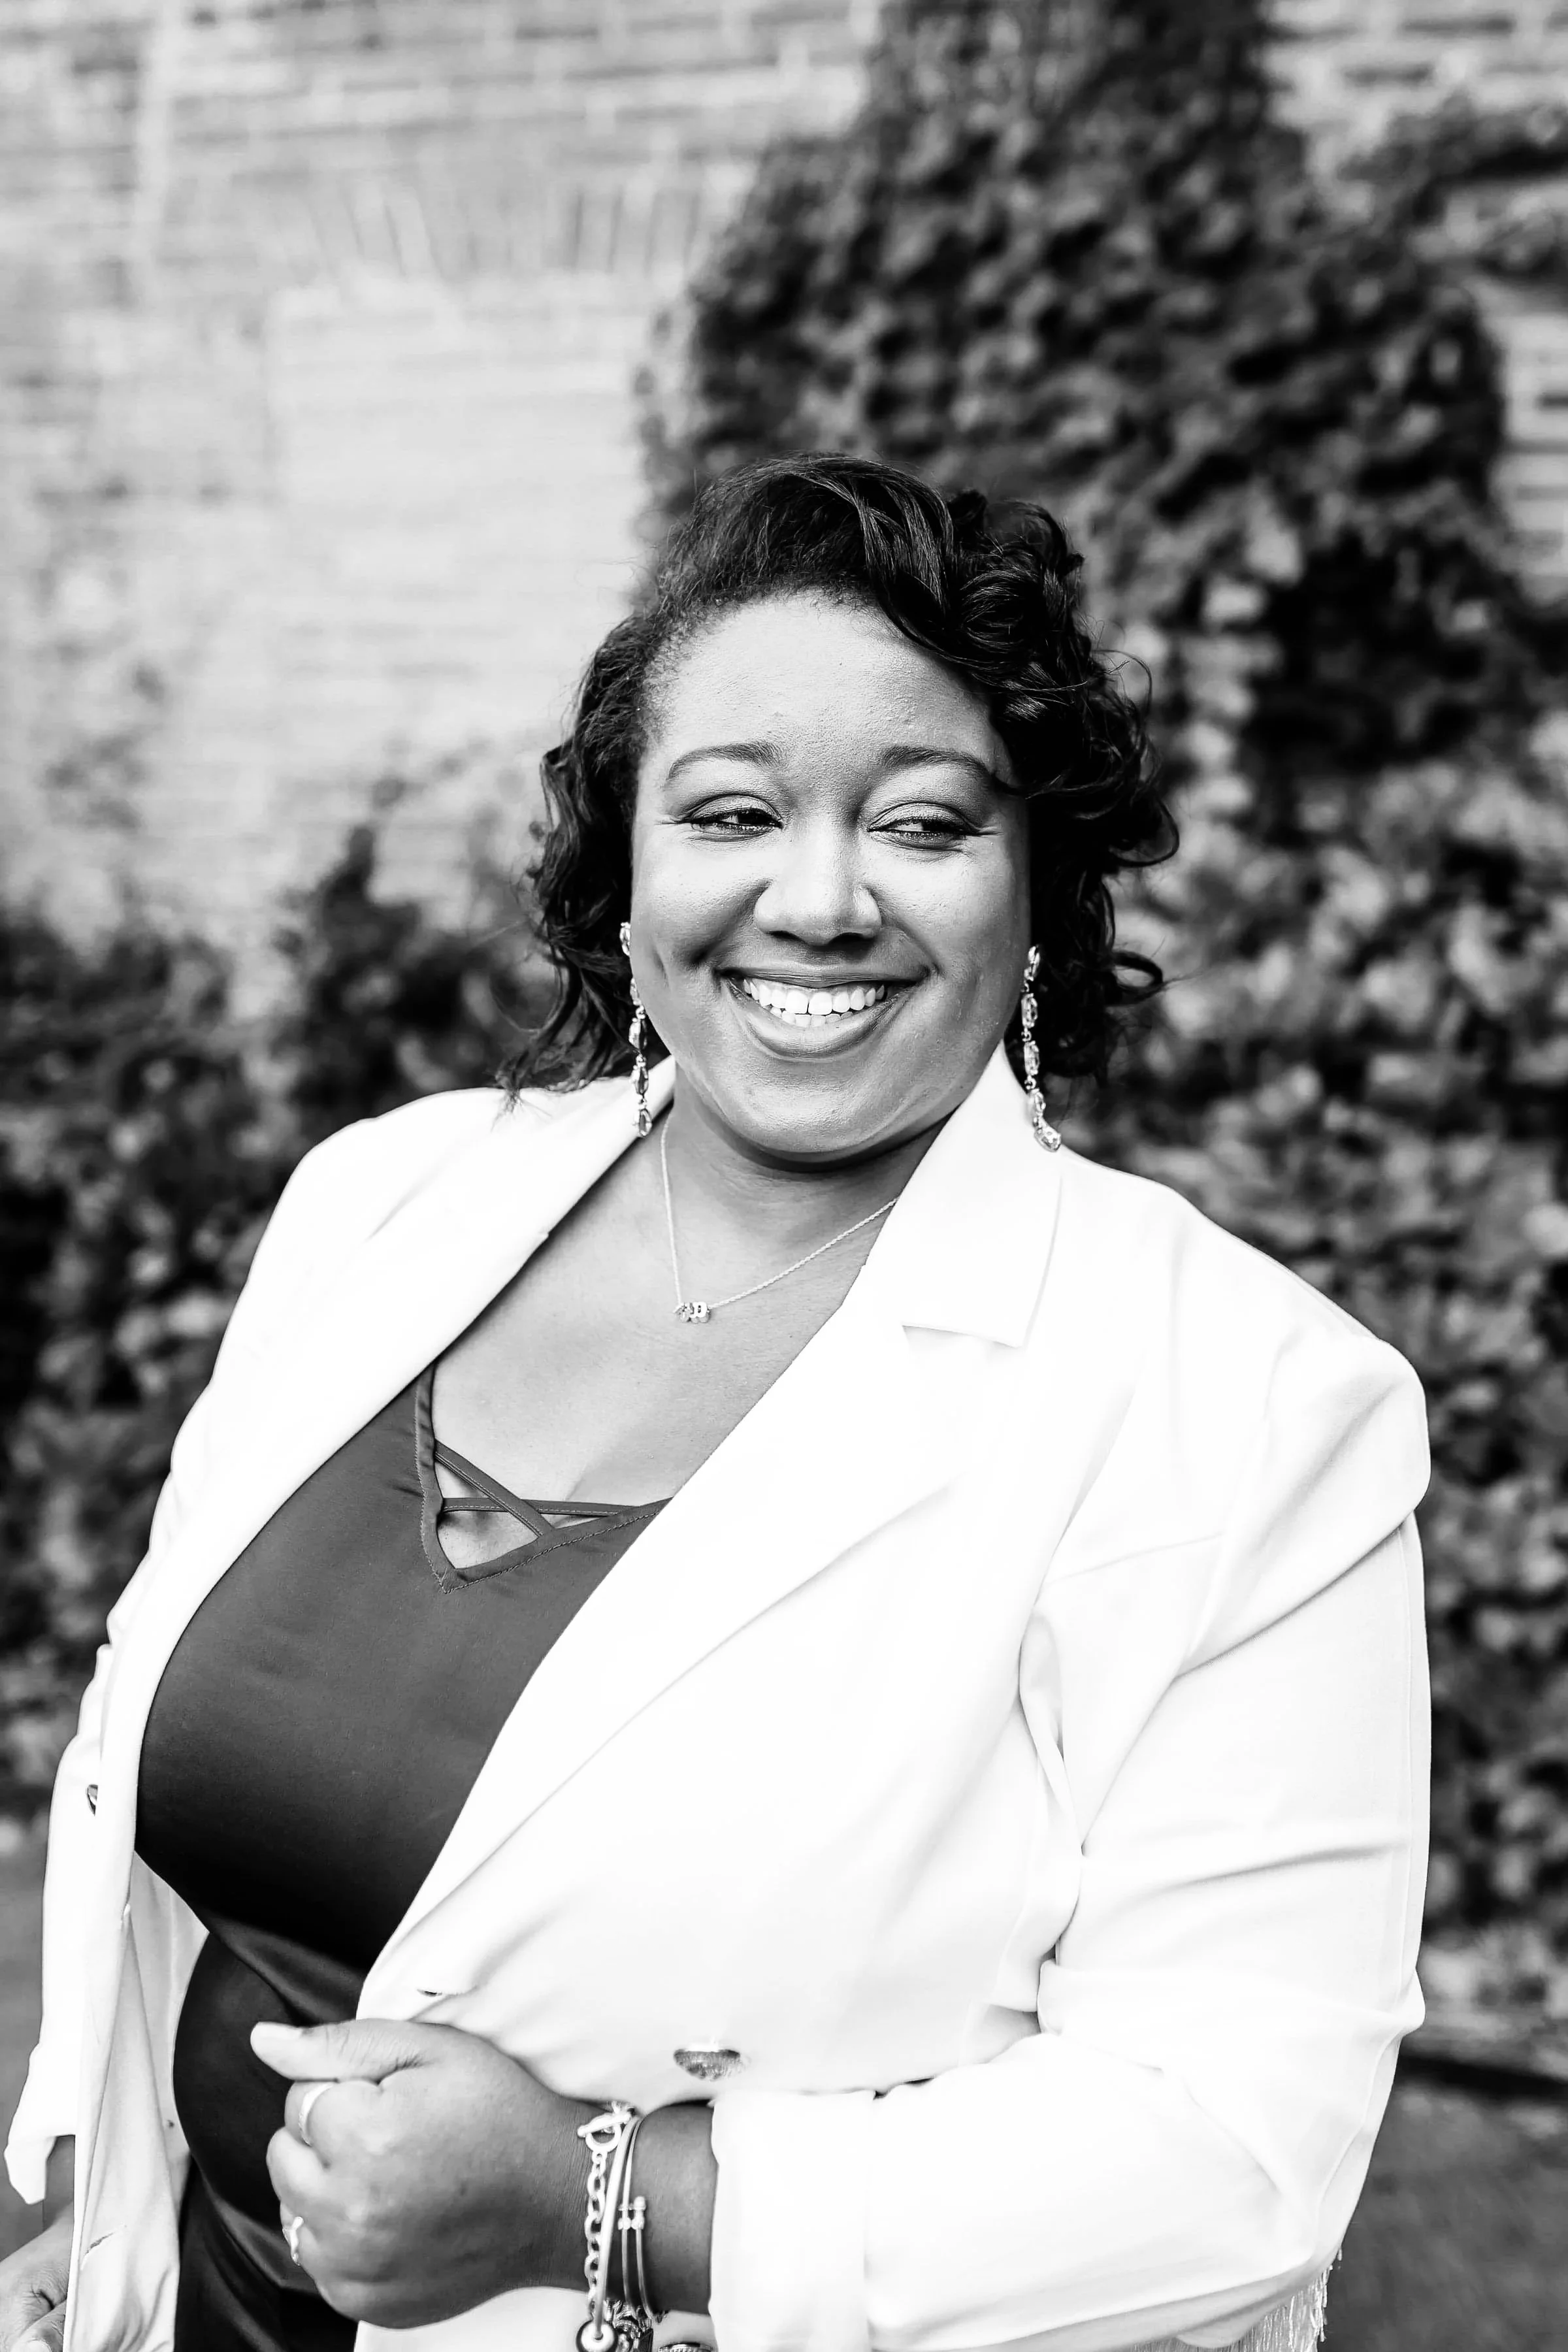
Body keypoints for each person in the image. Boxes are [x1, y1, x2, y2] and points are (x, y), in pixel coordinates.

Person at [1, 453, 1429, 2352]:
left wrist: (603, 2199)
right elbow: (171, 1790)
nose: (818, 899)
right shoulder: (388, 1203)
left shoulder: (1250, 1410)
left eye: (923, 824)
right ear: (628, 873)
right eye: (733, 811)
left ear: (1041, 887)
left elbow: (1231, 2157)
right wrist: (113, 2233)